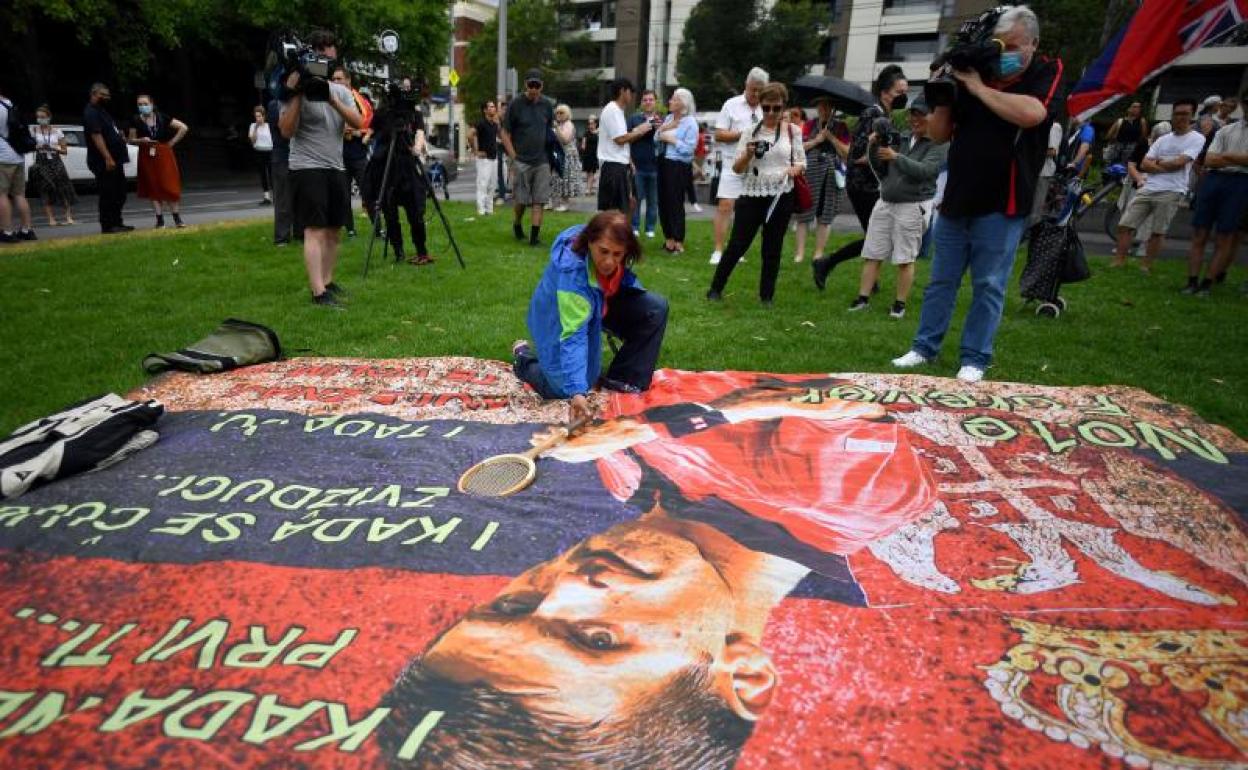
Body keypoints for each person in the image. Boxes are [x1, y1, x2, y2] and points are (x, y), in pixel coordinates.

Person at [376, 383, 936, 769]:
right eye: (596, 639)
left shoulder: (624, 481)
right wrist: (644, 427)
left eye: (511, 607)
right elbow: (854, 403)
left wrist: (614, 431)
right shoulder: (852, 495)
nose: (569, 585)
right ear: (740, 676)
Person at [892, 5, 1062, 384]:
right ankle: (923, 347)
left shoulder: (1044, 71)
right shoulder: (972, 70)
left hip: (1005, 199)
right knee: (941, 280)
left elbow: (1032, 114)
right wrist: (942, 94)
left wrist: (977, 88)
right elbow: (939, 134)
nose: (1006, 53)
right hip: (958, 195)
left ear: (1033, 43)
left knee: (988, 284)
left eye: (1016, 45)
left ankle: (975, 358)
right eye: (1000, 44)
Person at [512, 211, 669, 423]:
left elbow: (618, 280)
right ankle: (524, 359)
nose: (609, 262)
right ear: (589, 242)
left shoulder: (611, 251)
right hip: (556, 315)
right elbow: (574, 337)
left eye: (617, 254)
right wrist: (577, 392)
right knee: (563, 388)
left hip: (596, 304)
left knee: (655, 309)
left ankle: (622, 380)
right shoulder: (573, 277)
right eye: (603, 252)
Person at [278, 29, 364, 308]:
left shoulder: (341, 90)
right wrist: (298, 94)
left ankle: (327, 281)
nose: (326, 54)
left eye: (329, 48)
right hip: (306, 166)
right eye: (320, 49)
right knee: (314, 229)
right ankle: (317, 292)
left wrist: (332, 98)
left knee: (334, 230)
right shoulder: (294, 87)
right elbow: (286, 131)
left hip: (335, 166)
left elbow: (358, 123)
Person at [706, 82, 806, 306]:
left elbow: (801, 162)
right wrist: (748, 154)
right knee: (737, 244)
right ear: (760, 106)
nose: (771, 113)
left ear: (783, 107)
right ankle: (715, 288)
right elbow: (737, 169)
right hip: (752, 194)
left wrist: (793, 169)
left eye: (776, 108)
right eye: (767, 107)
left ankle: (766, 296)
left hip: (781, 195)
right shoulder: (751, 132)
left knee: (772, 247)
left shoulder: (793, 131)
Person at [849, 95, 948, 318]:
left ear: (932, 117)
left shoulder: (939, 144)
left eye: (920, 115)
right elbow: (880, 168)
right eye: (912, 114)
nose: (915, 120)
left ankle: (899, 305)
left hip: (913, 205)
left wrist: (896, 157)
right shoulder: (901, 138)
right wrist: (874, 147)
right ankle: (862, 298)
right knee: (872, 252)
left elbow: (925, 171)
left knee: (905, 257)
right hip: (885, 202)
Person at [811, 65, 908, 288]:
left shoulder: (883, 115)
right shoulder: (873, 113)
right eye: (899, 92)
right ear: (884, 92)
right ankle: (827, 263)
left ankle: (868, 280)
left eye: (905, 92)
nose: (903, 97)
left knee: (875, 235)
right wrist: (883, 155)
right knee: (878, 236)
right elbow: (858, 153)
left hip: (870, 183)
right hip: (863, 185)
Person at [1109, 97, 1205, 273]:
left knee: (1157, 231)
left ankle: (1145, 265)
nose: (1180, 117)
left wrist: (1158, 164)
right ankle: (1119, 261)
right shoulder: (1163, 139)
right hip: (1149, 186)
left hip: (1172, 189)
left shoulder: (1196, 138)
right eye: (1177, 114)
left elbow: (1181, 163)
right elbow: (1144, 164)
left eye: (1185, 114)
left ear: (1192, 115)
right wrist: (1165, 164)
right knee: (1125, 224)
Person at [1183, 93, 1248, 296]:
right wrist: (1238, 159)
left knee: (1225, 235)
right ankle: (1192, 280)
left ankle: (1208, 282)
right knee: (1200, 231)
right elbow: (1210, 160)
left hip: (1240, 183)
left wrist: (1226, 156)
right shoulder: (1227, 129)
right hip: (1215, 179)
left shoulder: (1225, 131)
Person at [363, 91, 433, 266]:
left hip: (406, 167)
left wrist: (417, 147)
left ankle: (421, 250)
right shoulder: (382, 114)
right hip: (385, 167)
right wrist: (367, 137)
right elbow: (368, 134)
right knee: (389, 212)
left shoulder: (413, 114)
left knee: (415, 210)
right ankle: (398, 251)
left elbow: (420, 132)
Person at [710, 68, 768, 265]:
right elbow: (718, 135)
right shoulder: (731, 105)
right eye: (754, 90)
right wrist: (742, 134)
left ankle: (736, 250)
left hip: (756, 166)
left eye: (761, 90)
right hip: (731, 162)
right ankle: (718, 250)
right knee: (725, 206)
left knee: (747, 211)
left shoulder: (766, 108)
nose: (757, 95)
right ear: (746, 85)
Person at [500, 68, 555, 246]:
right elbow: (504, 132)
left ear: (541, 86)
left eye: (536, 85)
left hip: (542, 160)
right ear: (525, 85)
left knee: (539, 199)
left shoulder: (547, 105)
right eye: (530, 85)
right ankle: (517, 223)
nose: (533, 89)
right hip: (521, 160)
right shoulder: (515, 104)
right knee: (521, 201)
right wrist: (513, 156)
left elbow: (549, 129)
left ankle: (534, 237)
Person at [793, 98, 847, 263]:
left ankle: (818, 252)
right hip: (810, 172)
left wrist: (831, 137)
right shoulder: (809, 125)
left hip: (831, 175)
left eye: (828, 105)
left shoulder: (841, 127)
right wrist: (816, 140)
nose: (824, 109)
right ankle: (800, 253)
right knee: (804, 213)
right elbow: (798, 148)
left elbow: (846, 152)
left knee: (825, 213)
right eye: (821, 105)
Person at [128, 94, 189, 228]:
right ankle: (159, 219)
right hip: (146, 154)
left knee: (169, 184)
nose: (142, 107)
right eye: (139, 104)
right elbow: (131, 139)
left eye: (145, 104)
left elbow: (183, 127)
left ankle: (177, 218)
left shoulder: (162, 117)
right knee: (153, 186)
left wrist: (171, 142)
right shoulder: (135, 120)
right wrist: (141, 140)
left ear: (152, 104)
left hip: (163, 152)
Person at [82, 83, 132, 234]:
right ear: (95, 94)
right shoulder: (91, 113)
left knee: (120, 192)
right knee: (108, 193)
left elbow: (110, 130)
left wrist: (119, 136)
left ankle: (117, 221)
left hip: (116, 159)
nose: (107, 98)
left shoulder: (102, 111)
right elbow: (96, 136)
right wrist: (108, 157)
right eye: (104, 95)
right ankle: (108, 225)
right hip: (104, 160)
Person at [597, 78, 652, 213]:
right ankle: (612, 234)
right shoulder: (613, 110)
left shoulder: (618, 111)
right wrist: (640, 131)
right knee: (614, 211)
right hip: (613, 166)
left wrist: (628, 160)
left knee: (628, 205)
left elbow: (622, 138)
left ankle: (620, 233)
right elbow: (620, 139)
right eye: (630, 92)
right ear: (622, 91)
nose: (632, 96)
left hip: (619, 164)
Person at [331, 67, 373, 238]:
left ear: (348, 81)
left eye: (339, 79)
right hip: (339, 153)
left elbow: (369, 123)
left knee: (368, 192)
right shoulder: (331, 100)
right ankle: (350, 229)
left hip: (358, 153)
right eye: (333, 79)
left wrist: (359, 132)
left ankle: (378, 228)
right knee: (343, 195)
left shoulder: (360, 100)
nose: (335, 82)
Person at [656, 88, 699, 254]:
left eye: (674, 99)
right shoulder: (668, 118)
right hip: (663, 162)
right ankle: (669, 239)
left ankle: (678, 240)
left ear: (683, 104)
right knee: (663, 202)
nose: (670, 101)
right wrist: (664, 130)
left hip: (678, 166)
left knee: (675, 202)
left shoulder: (690, 123)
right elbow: (656, 138)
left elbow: (689, 149)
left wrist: (672, 139)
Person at [29, 105, 77, 227]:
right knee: (45, 189)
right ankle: (51, 219)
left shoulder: (57, 131)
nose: (40, 119)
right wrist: (37, 147)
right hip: (42, 161)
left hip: (55, 160)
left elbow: (64, 150)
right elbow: (29, 146)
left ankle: (68, 216)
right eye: (38, 117)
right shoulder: (34, 131)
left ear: (49, 117)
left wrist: (53, 148)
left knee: (63, 187)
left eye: (43, 117)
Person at [0, 87, 35, 243]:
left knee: (1, 195)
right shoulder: (10, 104)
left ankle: (7, 231)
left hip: (3, 157)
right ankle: (27, 229)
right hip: (18, 156)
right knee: (19, 195)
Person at [626, 90, 661, 237]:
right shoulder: (634, 119)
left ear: (655, 102)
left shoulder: (662, 120)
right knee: (637, 199)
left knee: (653, 200)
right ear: (641, 103)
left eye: (651, 100)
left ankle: (650, 229)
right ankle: (634, 226)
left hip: (656, 166)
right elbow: (626, 140)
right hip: (637, 165)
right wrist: (642, 129)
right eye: (645, 100)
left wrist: (659, 128)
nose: (648, 102)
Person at [266, 93, 294, 245]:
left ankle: (299, 232)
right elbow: (283, 128)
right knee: (283, 198)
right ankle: (282, 236)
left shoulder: (295, 102)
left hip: (295, 155)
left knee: (298, 197)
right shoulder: (275, 105)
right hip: (282, 156)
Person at [1028, 116, 1063, 226]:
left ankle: (1032, 234)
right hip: (1033, 170)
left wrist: (1031, 150)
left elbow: (1053, 151)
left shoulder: (1054, 126)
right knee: (1029, 205)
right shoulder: (1036, 122)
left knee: (1036, 208)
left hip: (1043, 171)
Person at [551, 104, 585, 212]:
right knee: (558, 179)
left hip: (568, 155)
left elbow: (565, 139)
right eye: (557, 112)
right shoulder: (560, 125)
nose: (559, 115)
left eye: (561, 112)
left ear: (567, 114)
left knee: (566, 179)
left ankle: (565, 204)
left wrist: (556, 128)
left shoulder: (568, 124)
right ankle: (557, 203)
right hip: (559, 155)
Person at [469, 100, 499, 216]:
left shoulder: (494, 125)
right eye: (491, 107)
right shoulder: (481, 123)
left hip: (493, 158)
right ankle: (481, 210)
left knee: (492, 185)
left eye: (494, 106)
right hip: (484, 160)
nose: (493, 108)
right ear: (485, 110)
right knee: (483, 184)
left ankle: (489, 210)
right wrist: (475, 151)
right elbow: (470, 135)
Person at [1103, 101, 1147, 166]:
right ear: (1128, 109)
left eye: (1139, 107)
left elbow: (1143, 136)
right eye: (1134, 107)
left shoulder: (1142, 121)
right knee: (1111, 165)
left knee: (1126, 167)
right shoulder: (1120, 121)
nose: (1137, 109)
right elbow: (1109, 135)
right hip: (1117, 147)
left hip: (1132, 148)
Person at [249, 105, 274, 206]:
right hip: (259, 151)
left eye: (259, 116)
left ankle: (275, 196)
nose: (258, 118)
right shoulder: (252, 126)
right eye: (256, 116)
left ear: (264, 116)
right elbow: (253, 140)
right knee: (263, 175)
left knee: (272, 175)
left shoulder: (269, 126)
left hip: (270, 151)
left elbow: (273, 140)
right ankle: (266, 197)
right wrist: (256, 128)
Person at [580, 114, 599, 193]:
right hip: (588, 155)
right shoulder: (586, 133)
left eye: (592, 123)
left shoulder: (598, 132)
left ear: (595, 124)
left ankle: (588, 189)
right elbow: (583, 145)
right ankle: (588, 189)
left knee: (591, 173)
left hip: (594, 155)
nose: (590, 125)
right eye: (589, 123)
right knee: (589, 173)